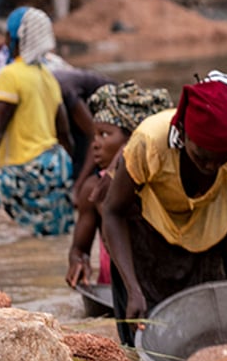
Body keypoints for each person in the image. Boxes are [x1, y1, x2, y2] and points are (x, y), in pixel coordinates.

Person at [101, 70, 227, 346]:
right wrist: (133, 288)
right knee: (149, 341)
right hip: (149, 243)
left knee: (216, 337)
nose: (211, 167)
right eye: (202, 156)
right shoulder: (150, 142)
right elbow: (113, 212)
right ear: (185, 131)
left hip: (211, 238)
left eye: (223, 159)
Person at [0, 6, 74, 241]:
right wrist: (67, 177)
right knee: (51, 238)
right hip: (56, 165)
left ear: (14, 37)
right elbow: (65, 134)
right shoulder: (48, 77)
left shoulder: (10, 75)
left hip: (28, 166)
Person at [65, 80, 173, 289]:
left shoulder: (163, 183)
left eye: (104, 134)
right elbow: (79, 249)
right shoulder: (93, 189)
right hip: (115, 290)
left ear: (133, 140)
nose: (95, 144)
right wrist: (78, 262)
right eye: (94, 135)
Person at [50, 66, 116, 192]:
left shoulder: (66, 92)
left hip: (110, 109)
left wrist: (78, 185)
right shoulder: (44, 93)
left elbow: (93, 136)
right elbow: (63, 137)